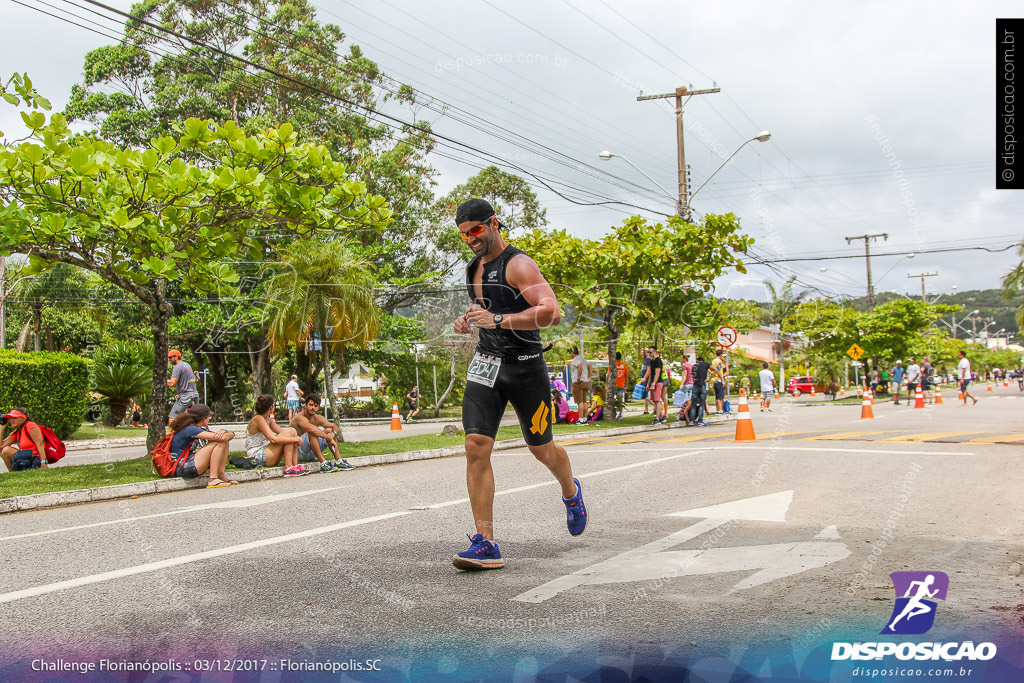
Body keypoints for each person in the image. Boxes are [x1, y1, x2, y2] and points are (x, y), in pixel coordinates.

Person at [451, 197, 587, 570]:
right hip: (486, 367)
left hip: (526, 370)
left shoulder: (519, 264)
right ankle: (486, 542)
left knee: (542, 449)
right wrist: (468, 321)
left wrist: (497, 321)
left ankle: (571, 492)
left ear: (493, 223)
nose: (470, 239)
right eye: (463, 234)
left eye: (475, 230)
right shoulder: (473, 270)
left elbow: (551, 313)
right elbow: (487, 311)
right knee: (476, 445)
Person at [167, 403, 236, 487]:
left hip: (187, 465)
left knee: (224, 441)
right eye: (208, 417)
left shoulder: (196, 428)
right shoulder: (190, 429)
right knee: (219, 442)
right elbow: (221, 438)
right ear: (204, 418)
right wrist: (225, 432)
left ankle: (221, 476)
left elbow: (225, 437)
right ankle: (213, 478)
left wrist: (224, 431)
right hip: (183, 467)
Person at [246, 394, 306, 476]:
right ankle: (289, 468)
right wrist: (296, 439)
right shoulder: (258, 419)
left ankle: (294, 465)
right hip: (257, 455)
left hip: (267, 454)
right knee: (291, 433)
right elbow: (273, 439)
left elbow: (283, 432)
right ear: (271, 407)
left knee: (292, 431)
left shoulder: (268, 420)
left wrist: (296, 436)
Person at [289, 394, 352, 472]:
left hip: (311, 453)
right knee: (313, 432)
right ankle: (323, 463)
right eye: (311, 405)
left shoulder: (318, 418)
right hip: (298, 452)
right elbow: (313, 430)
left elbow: (335, 426)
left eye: (315, 406)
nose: (313, 408)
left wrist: (333, 434)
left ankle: (339, 461)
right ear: (305, 405)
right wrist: (328, 438)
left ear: (318, 407)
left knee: (329, 430)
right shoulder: (299, 417)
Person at [167, 349, 200, 419]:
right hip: (194, 395)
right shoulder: (186, 365)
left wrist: (161, 380)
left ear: (176, 357)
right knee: (195, 419)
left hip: (186, 397)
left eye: (170, 357)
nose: (169, 359)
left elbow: (172, 383)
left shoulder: (177, 367)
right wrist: (180, 394)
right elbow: (188, 382)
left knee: (172, 418)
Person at [569, 347, 591, 425]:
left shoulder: (576, 359)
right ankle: (585, 419)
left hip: (578, 383)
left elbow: (580, 366)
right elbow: (590, 366)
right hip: (585, 382)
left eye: (570, 353)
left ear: (572, 353)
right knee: (584, 402)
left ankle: (580, 419)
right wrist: (589, 377)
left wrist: (578, 377)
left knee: (580, 402)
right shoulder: (583, 359)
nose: (570, 354)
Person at [645, 346, 665, 424]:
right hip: (652, 383)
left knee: (657, 401)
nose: (649, 354)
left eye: (650, 352)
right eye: (648, 352)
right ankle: (660, 415)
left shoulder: (658, 361)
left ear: (655, 352)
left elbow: (657, 373)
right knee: (653, 399)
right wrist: (648, 384)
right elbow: (651, 374)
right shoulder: (652, 361)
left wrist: (654, 383)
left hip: (658, 382)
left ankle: (657, 418)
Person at [689, 355, 711, 426]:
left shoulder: (694, 366)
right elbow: (716, 370)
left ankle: (692, 420)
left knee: (693, 404)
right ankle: (700, 420)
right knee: (702, 404)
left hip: (695, 385)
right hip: (702, 385)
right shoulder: (705, 364)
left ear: (697, 361)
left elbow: (692, 376)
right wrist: (710, 378)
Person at [710, 348, 729, 414]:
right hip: (719, 380)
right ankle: (720, 410)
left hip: (714, 380)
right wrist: (723, 380)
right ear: (721, 354)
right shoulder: (719, 361)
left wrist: (712, 375)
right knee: (720, 396)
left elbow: (710, 369)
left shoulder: (714, 360)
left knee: (717, 396)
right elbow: (718, 371)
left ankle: (718, 409)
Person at [677, 354, 694, 423]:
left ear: (684, 359)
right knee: (690, 400)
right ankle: (689, 413)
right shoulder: (691, 365)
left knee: (684, 400)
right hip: (692, 383)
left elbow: (684, 376)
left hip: (687, 384)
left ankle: (683, 413)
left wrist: (681, 384)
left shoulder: (685, 366)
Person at [613, 352, 628, 419]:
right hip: (621, 385)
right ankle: (620, 414)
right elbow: (627, 377)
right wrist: (626, 386)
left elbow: (609, 375)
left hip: (614, 385)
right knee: (620, 401)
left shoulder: (613, 366)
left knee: (613, 400)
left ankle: (614, 413)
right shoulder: (624, 366)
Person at [639, 347, 652, 414]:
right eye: (641, 352)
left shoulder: (648, 359)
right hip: (644, 379)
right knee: (645, 395)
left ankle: (658, 407)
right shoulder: (645, 360)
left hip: (646, 379)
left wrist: (645, 378)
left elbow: (649, 370)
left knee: (645, 395)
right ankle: (646, 410)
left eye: (643, 352)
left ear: (647, 353)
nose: (642, 353)